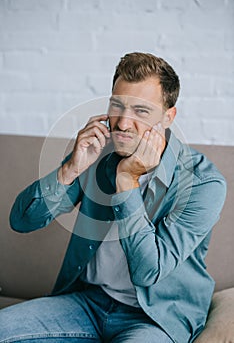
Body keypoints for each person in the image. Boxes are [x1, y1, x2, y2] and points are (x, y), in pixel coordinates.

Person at [0, 52, 226, 343]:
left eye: (141, 111)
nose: (121, 123)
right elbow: (21, 221)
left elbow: (148, 271)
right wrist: (70, 169)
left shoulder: (203, 183)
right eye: (117, 105)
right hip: (87, 303)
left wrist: (126, 181)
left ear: (168, 117)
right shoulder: (98, 153)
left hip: (156, 318)